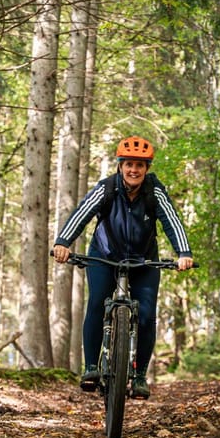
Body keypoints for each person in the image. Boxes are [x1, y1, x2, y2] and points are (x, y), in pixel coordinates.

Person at [52, 136, 194, 399]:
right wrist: (63, 242)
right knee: (96, 302)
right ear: (120, 165)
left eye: (140, 165)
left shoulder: (154, 191)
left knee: (147, 312)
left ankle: (139, 377)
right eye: (129, 164)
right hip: (105, 255)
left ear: (147, 168)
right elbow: (81, 213)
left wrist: (183, 252)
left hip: (143, 260)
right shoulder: (106, 188)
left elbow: (171, 221)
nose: (134, 170)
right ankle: (92, 367)